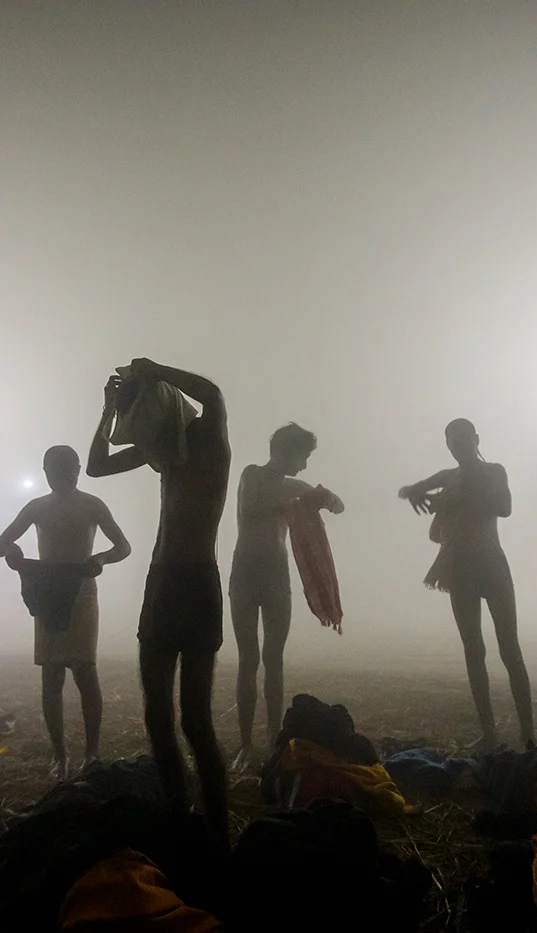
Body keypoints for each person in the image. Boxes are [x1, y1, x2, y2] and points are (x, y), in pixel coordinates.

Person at [86, 358, 231, 845]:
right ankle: (179, 812)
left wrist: (155, 370)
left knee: (195, 719)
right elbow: (97, 466)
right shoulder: (160, 452)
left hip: (196, 584)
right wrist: (107, 411)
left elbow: (212, 392)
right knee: (156, 715)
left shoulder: (208, 441)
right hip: (162, 582)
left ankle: (217, 833)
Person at [0, 444, 131, 781]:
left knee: (85, 671)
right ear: (46, 473)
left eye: (70, 469)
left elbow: (123, 547)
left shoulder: (91, 505)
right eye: (56, 470)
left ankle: (91, 752)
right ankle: (60, 754)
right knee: (52, 674)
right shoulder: (37, 507)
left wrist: (100, 559)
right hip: (47, 591)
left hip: (81, 590)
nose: (64, 476)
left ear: (78, 470)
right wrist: (14, 552)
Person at [399, 418, 534, 749]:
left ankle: (528, 731)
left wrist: (450, 502)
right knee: (473, 650)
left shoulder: (494, 472)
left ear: (476, 439)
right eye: (452, 442)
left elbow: (505, 507)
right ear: (449, 446)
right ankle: (489, 733)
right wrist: (419, 494)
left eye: (463, 440)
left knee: (509, 648)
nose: (459, 447)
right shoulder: (448, 477)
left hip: (491, 563)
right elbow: (407, 490)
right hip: (458, 568)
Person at [228, 423, 343, 771]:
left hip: (277, 577)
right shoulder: (253, 475)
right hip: (246, 574)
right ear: (282, 450)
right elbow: (251, 509)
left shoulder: (297, 487)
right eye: (302, 456)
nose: (304, 465)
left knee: (273, 659)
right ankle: (246, 744)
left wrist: (327, 499)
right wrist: (300, 501)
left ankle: (273, 740)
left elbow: (337, 505)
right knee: (249, 660)